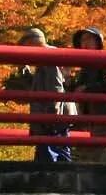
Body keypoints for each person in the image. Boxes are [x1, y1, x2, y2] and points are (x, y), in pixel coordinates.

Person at [5, 28, 75, 165]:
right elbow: (35, 84)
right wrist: (23, 68)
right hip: (55, 116)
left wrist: (50, 116)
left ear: (32, 43)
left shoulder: (49, 57)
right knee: (58, 153)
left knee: (50, 156)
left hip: (53, 117)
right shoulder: (45, 57)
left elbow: (56, 89)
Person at [69, 27, 106, 162]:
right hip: (92, 112)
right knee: (94, 148)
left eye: (89, 39)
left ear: (98, 41)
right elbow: (78, 87)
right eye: (82, 40)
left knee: (98, 148)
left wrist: (85, 89)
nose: (85, 43)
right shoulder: (86, 66)